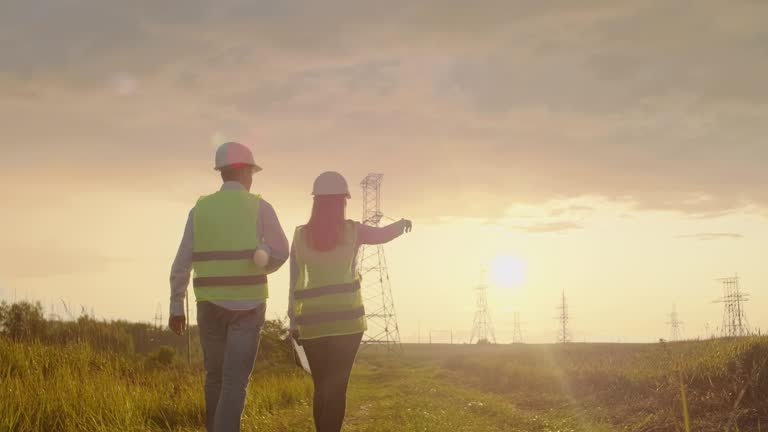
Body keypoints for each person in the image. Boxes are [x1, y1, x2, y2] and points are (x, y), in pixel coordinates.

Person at [169, 142, 289, 432]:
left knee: (215, 377)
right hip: (247, 306)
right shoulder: (260, 207)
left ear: (221, 173)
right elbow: (283, 251)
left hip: (208, 304)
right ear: (247, 172)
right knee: (235, 381)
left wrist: (176, 306)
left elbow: (182, 262)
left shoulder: (200, 209)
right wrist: (265, 263)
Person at [288, 171, 412, 432]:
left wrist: (293, 320)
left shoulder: (300, 236)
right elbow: (383, 235)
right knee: (337, 388)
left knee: (321, 387)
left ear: (316, 202)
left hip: (312, 325)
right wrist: (402, 224)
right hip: (348, 323)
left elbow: (294, 281)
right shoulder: (353, 231)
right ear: (343, 201)